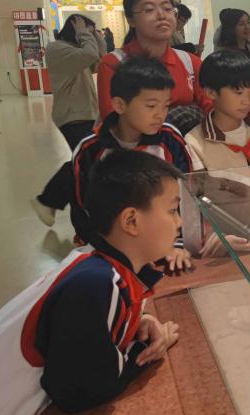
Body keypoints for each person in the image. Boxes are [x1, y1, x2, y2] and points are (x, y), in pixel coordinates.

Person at [21, 151, 182, 413]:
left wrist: (137, 323)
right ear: (131, 221)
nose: (179, 222)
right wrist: (145, 349)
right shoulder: (96, 283)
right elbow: (80, 392)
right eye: (173, 211)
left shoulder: (97, 265)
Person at [70, 58, 195, 273]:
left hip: (165, 247)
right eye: (151, 106)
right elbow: (85, 209)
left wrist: (176, 244)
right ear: (119, 105)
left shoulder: (171, 140)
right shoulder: (90, 149)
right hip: (112, 253)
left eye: (166, 106)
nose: (160, 114)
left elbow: (187, 196)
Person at [184, 50, 250, 249]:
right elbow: (193, 207)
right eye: (238, 92)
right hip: (231, 249)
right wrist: (216, 240)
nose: (247, 101)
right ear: (211, 92)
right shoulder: (195, 143)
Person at [96, 0, 210, 129]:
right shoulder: (113, 63)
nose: (162, 15)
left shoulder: (190, 62)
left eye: (167, 8)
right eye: (149, 10)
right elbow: (114, 124)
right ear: (130, 19)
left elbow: (212, 110)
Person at [31, 14, 103, 227]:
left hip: (86, 113)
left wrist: (97, 36)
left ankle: (62, 204)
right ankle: (47, 201)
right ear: (74, 28)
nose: (89, 34)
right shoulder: (58, 49)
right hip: (73, 116)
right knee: (84, 161)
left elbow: (98, 62)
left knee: (88, 162)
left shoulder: (75, 51)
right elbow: (90, 54)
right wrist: (84, 32)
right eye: (86, 30)